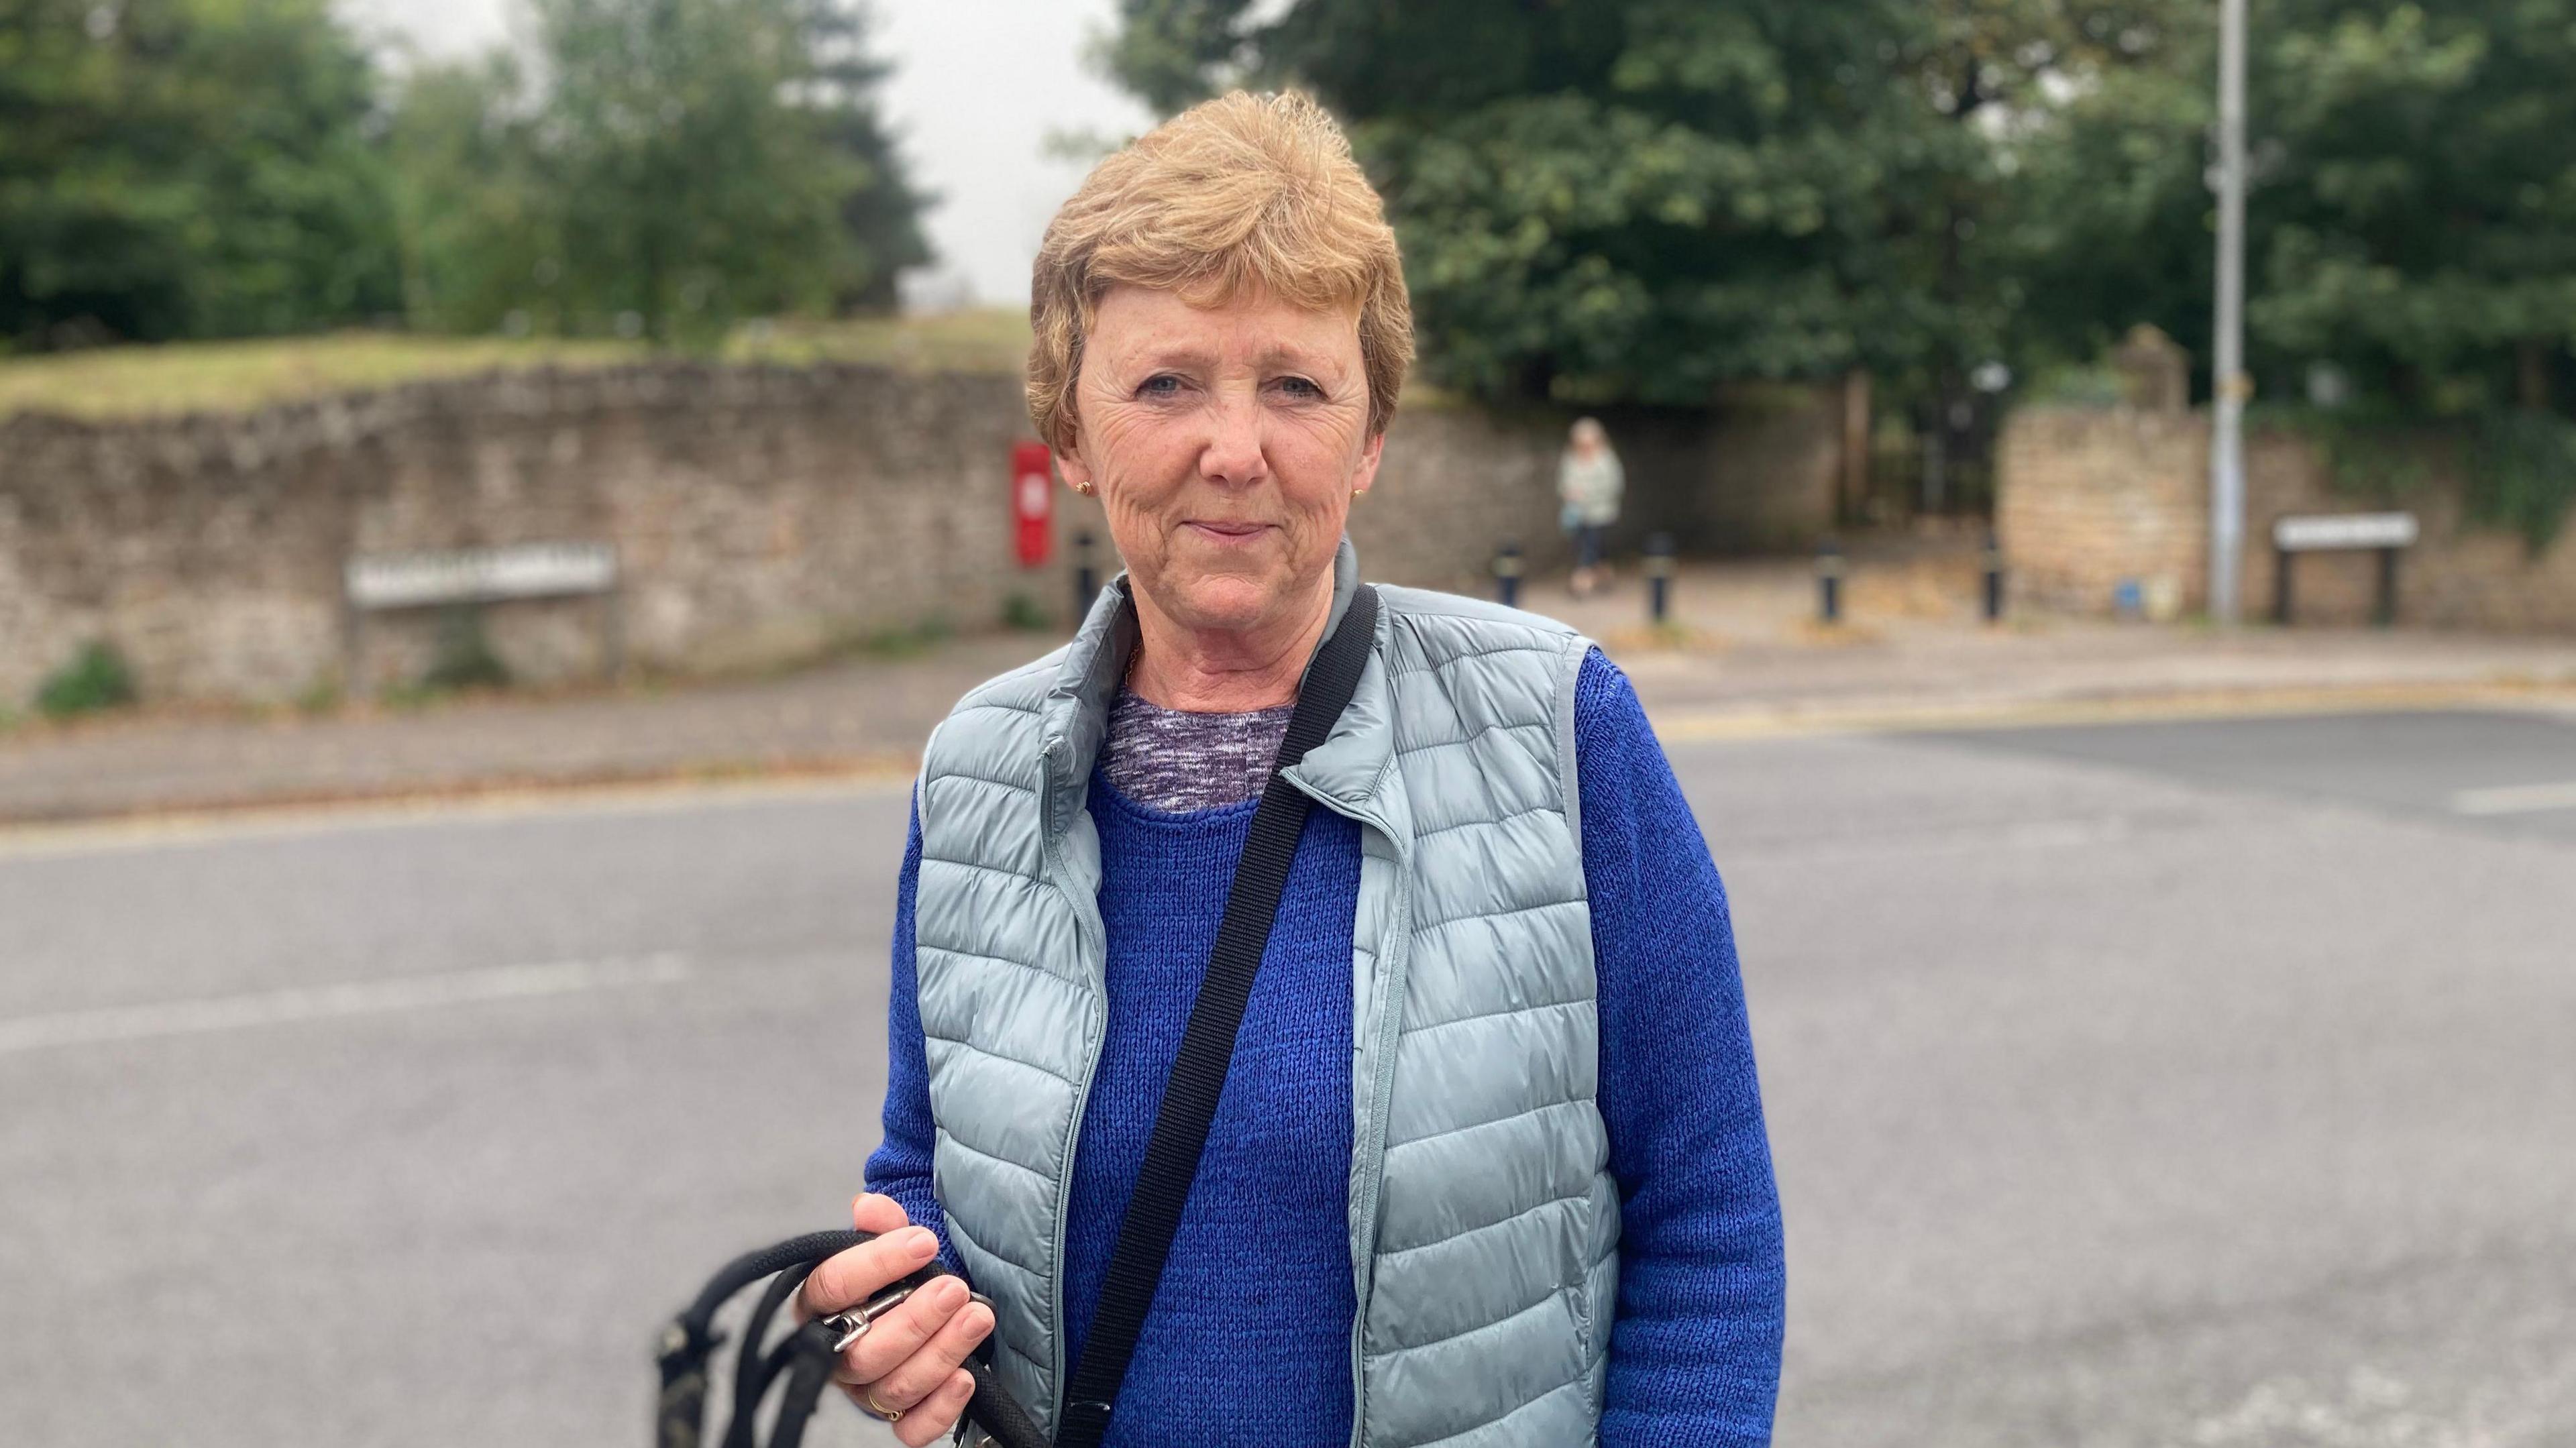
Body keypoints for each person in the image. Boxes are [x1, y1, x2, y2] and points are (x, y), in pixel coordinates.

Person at [799, 91, 1784, 1447]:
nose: (1234, 449)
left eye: (1296, 385)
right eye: (1165, 383)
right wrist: (894, 1323)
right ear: (1071, 438)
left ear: (1369, 434)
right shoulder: (978, 768)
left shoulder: (1560, 725)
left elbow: (1709, 1211)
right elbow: (929, 1168)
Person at [1559, 416, 1624, 598]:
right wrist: (1569, 493)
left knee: (1589, 547)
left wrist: (1586, 494)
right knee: (1595, 548)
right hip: (1577, 513)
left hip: (1600, 513)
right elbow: (1563, 482)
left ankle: (1580, 584)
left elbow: (1614, 486)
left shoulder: (1606, 460)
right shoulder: (1571, 458)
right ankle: (1606, 575)